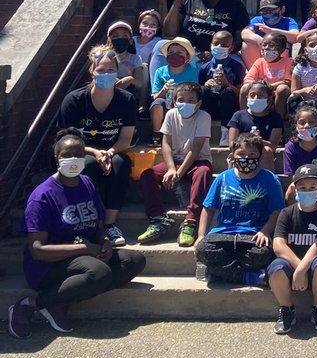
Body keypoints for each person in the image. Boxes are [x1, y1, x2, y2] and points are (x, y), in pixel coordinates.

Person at [7, 129, 146, 339]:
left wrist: (104, 242)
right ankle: (29, 304)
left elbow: (98, 226)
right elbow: (37, 250)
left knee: (134, 261)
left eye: (78, 155)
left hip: (85, 254)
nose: (73, 160)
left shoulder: (87, 183)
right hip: (48, 266)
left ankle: (59, 301)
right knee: (99, 273)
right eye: (67, 155)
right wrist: (84, 249)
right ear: (57, 158)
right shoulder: (42, 196)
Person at [55, 45, 137, 247]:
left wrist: (109, 152)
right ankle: (89, 223)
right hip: (80, 150)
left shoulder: (127, 100)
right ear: (91, 71)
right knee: (88, 164)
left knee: (121, 164)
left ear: (117, 71)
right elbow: (66, 141)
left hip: (112, 150)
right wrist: (94, 152)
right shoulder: (74, 100)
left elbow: (125, 139)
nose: (106, 74)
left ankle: (109, 224)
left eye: (110, 70)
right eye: (101, 70)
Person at [195, 132, 283, 284]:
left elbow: (277, 210)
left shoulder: (270, 179)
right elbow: (208, 209)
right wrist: (201, 236)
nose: (247, 158)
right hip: (222, 235)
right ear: (232, 156)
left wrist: (265, 231)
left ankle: (217, 272)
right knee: (203, 249)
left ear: (261, 156)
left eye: (252, 154)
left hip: (253, 236)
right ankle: (245, 276)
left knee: (264, 254)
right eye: (241, 154)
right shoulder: (222, 178)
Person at [136, 81, 213, 248]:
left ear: (198, 103)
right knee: (147, 175)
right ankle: (157, 218)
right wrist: (171, 168)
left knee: (204, 173)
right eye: (181, 99)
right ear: (174, 101)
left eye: (191, 100)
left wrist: (179, 173)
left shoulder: (204, 117)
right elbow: (166, 143)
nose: (185, 103)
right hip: (175, 160)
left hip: (197, 160)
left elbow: (196, 148)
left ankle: (191, 221)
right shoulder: (171, 114)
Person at [267, 164, 317, 334]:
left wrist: (302, 270)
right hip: (290, 264)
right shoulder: (286, 213)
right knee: (276, 269)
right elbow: (278, 245)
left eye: (312, 187)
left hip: (315, 263)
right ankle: (286, 309)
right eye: (302, 188)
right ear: (294, 189)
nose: (307, 191)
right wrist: (300, 269)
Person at [281, 103, 317, 208]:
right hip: (302, 185)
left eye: (311, 122)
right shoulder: (291, 148)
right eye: (302, 123)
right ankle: (295, 217)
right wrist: (315, 176)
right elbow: (292, 177)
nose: (306, 126)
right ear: (296, 126)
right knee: (291, 191)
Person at [198, 29, 245, 141]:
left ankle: (226, 132)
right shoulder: (205, 67)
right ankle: (203, 131)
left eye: (224, 45)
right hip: (211, 106)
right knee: (203, 90)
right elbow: (198, 91)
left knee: (227, 92)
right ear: (211, 46)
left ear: (230, 48)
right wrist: (206, 84)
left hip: (229, 107)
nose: (219, 47)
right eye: (216, 44)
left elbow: (241, 92)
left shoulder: (237, 66)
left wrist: (227, 84)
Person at [227, 80, 283, 173]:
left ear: (269, 99)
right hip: (242, 150)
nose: (256, 98)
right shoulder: (238, 116)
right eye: (252, 95)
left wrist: (259, 141)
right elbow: (232, 143)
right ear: (247, 97)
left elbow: (273, 145)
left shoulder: (275, 118)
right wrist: (248, 142)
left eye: (261, 96)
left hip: (262, 153)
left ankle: (266, 180)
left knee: (267, 150)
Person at [149, 37, 200, 136]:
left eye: (179, 53)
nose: (174, 55)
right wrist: (164, 89)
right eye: (171, 52)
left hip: (184, 102)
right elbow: (154, 96)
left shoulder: (192, 71)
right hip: (166, 101)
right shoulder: (160, 71)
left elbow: (195, 92)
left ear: (187, 57)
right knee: (157, 104)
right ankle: (157, 134)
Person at [240, 0, 301, 70]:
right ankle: (255, 72)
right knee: (247, 44)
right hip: (261, 53)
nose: (268, 13)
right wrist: (260, 40)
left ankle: (278, 72)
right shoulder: (257, 20)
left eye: (272, 10)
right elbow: (244, 33)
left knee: (283, 44)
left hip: (281, 57)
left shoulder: (288, 21)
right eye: (265, 10)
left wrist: (272, 31)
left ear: (282, 9)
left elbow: (295, 37)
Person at [241, 31, 293, 118]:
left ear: (282, 49)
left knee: (282, 88)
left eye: (271, 45)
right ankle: (243, 117)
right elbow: (247, 80)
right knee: (245, 87)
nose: (267, 48)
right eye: (264, 45)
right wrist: (261, 87)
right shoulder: (260, 61)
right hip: (260, 91)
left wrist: (269, 87)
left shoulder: (288, 62)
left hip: (276, 92)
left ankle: (278, 119)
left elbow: (287, 81)